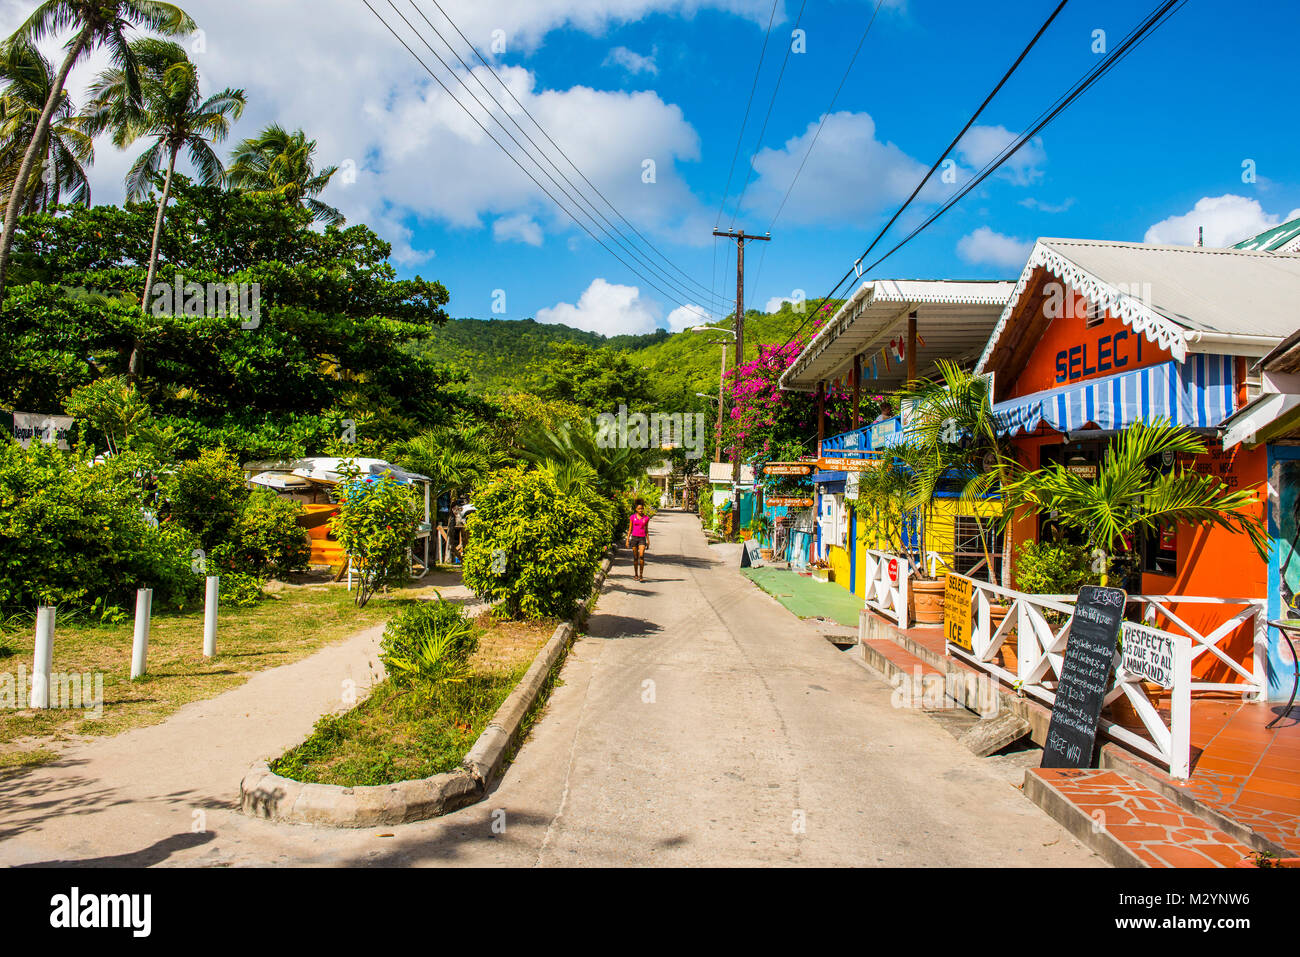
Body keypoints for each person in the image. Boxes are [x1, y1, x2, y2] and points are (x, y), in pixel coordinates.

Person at [625, 499, 651, 582]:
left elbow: (646, 530)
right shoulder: (632, 517)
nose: (641, 510)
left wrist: (648, 541)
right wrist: (627, 540)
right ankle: (636, 574)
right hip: (634, 538)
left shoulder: (646, 518)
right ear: (636, 509)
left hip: (642, 538)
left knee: (642, 555)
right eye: (639, 509)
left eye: (642, 508)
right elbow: (630, 529)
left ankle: (641, 575)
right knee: (635, 557)